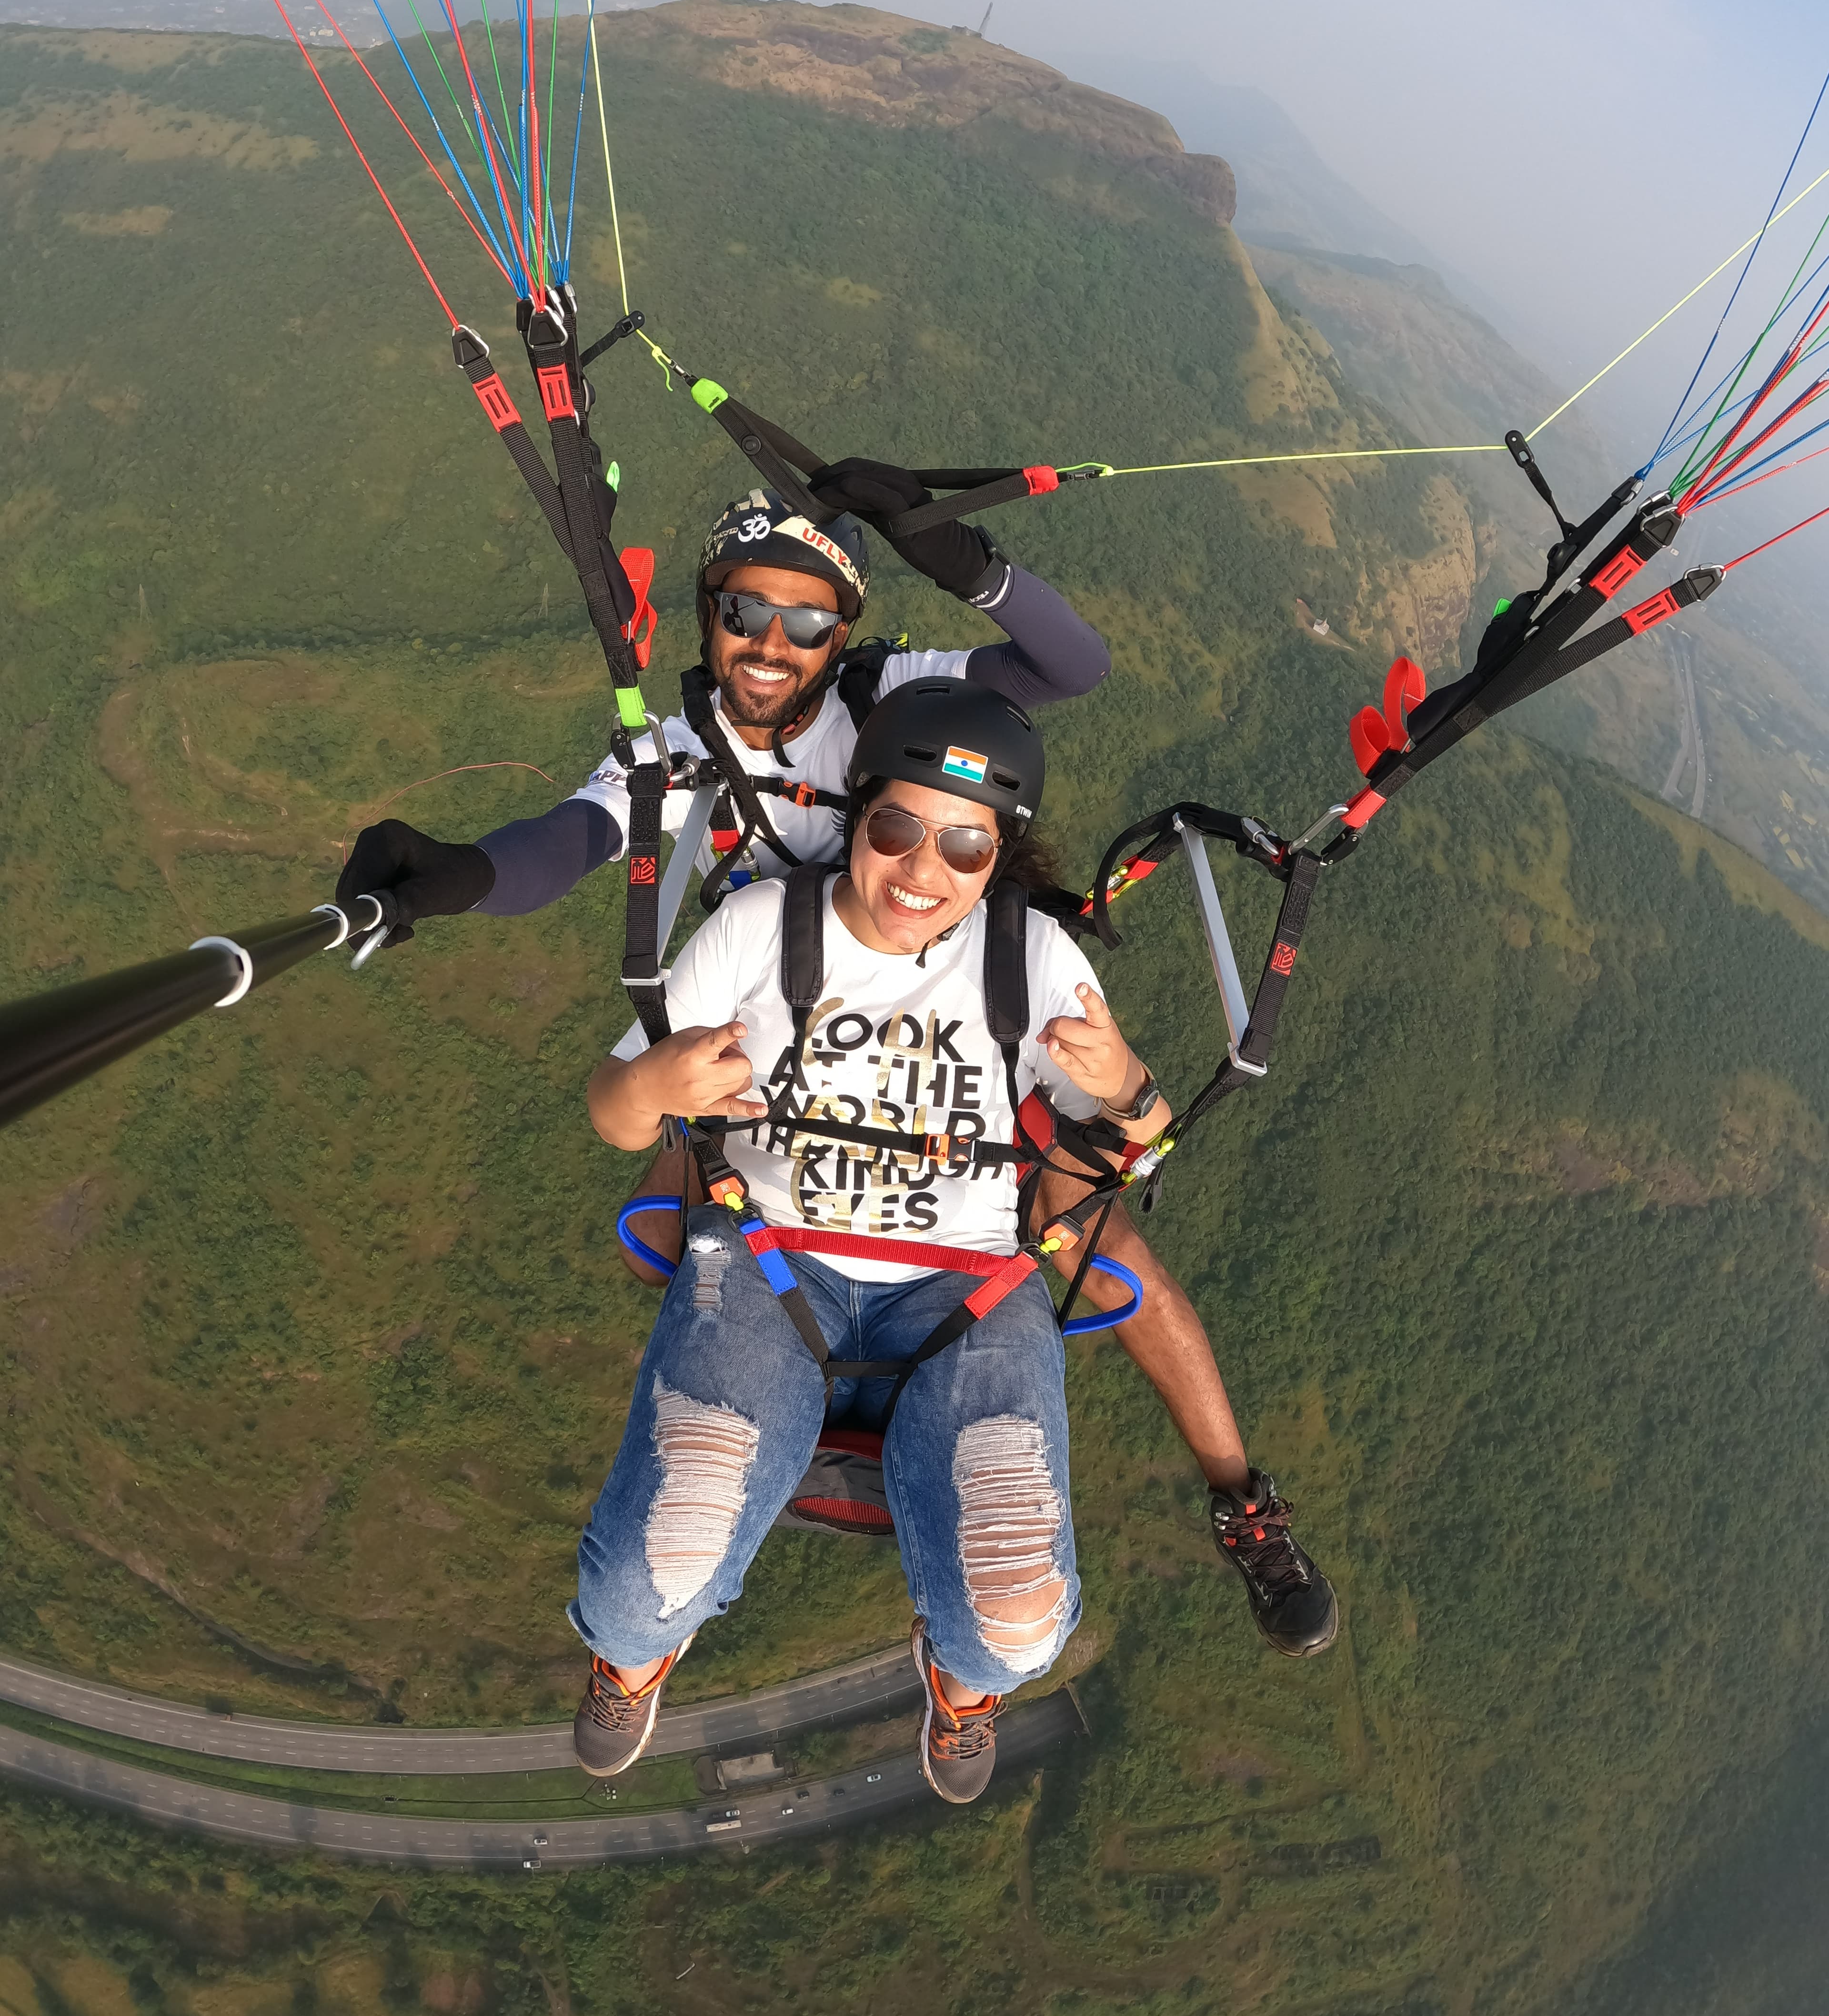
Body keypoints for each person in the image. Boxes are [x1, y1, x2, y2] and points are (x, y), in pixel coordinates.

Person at [335, 461, 1335, 1657]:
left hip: (959, 1008)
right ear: (707, 614)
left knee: (1103, 1245)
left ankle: (1242, 1502)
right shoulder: (683, 751)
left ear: (843, 636)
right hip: (771, 1022)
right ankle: (687, 1558)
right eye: (744, 610)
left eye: (807, 621)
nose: (772, 642)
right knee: (734, 1203)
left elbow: (1070, 666)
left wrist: (954, 553)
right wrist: (451, 879)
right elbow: (571, 842)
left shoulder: (891, 698)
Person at [573, 678, 1179, 1802]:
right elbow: (615, 1111)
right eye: (897, 827)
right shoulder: (762, 928)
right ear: (858, 816)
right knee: (640, 1586)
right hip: (771, 1253)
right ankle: (635, 1654)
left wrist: (1128, 1085)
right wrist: (655, 1085)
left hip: (965, 1283)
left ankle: (965, 1676)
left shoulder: (1036, 958)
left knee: (1017, 1623)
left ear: (999, 859)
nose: (922, 870)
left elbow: (1142, 1143)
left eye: (966, 847)